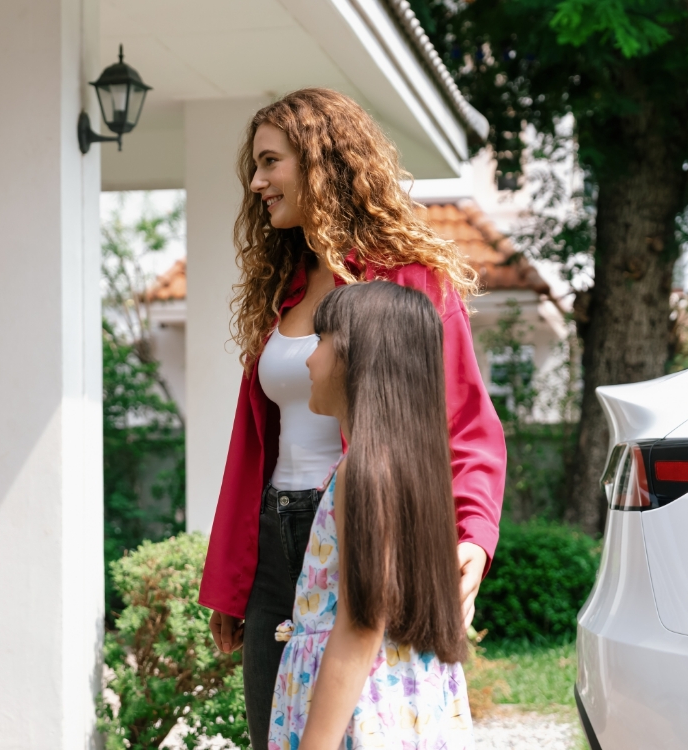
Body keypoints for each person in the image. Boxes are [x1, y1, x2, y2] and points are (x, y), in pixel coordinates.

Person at [196, 87, 506, 748]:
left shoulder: (412, 283)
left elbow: (468, 425)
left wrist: (474, 534)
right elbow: (251, 449)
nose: (256, 183)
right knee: (274, 731)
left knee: (360, 729)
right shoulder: (282, 288)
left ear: (319, 163)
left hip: (356, 527)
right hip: (276, 542)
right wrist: (233, 580)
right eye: (255, 166)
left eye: (270, 162)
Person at [270, 280, 473, 750]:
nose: (308, 359)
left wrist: (315, 745)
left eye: (320, 341)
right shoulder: (411, 469)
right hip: (400, 705)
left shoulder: (362, 473)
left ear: (359, 358)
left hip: (357, 712)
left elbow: (361, 625)